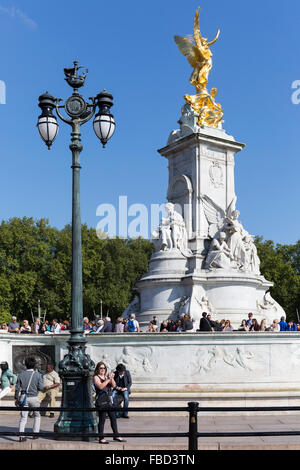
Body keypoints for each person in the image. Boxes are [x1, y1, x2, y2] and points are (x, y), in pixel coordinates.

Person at [93, 362, 126, 444]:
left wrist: (111, 378)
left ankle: (116, 435)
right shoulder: (96, 377)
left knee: (113, 419)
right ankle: (101, 438)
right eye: (101, 368)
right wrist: (108, 379)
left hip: (109, 400)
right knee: (102, 419)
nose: (103, 370)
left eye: (104, 368)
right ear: (97, 369)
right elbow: (100, 386)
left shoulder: (106, 377)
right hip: (101, 401)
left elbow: (114, 385)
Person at [14, 356, 44, 442]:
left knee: (23, 417)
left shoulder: (20, 374)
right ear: (34, 365)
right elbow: (41, 388)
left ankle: (21, 436)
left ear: (25, 365)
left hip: (24, 398)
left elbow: (17, 388)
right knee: (37, 415)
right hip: (34, 398)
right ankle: (35, 434)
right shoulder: (38, 375)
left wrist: (16, 398)